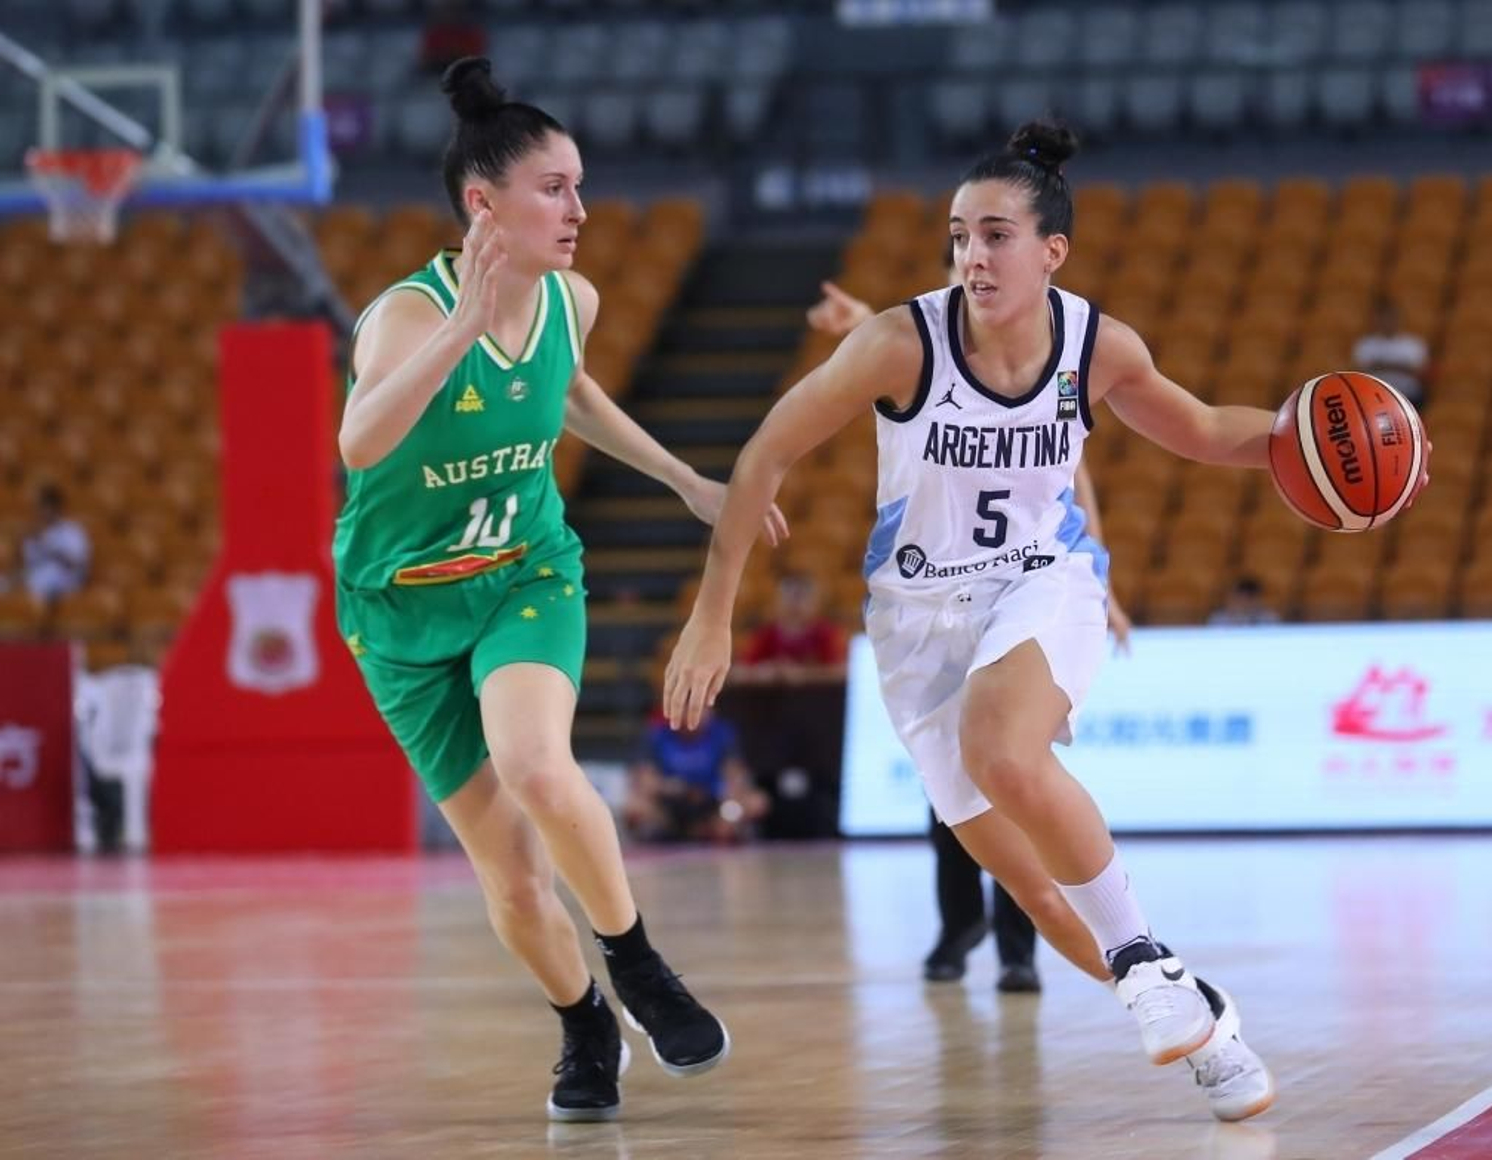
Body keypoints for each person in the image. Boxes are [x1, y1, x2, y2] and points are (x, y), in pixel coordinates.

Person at [667, 120, 1410, 1123]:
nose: (972, 254)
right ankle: (1200, 1016)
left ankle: (1145, 960)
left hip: (1043, 579)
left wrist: (1302, 439)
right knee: (1044, 900)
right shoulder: (898, 342)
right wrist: (714, 615)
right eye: (958, 235)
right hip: (916, 622)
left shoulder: (1097, 344)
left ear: (1051, 250)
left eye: (996, 235)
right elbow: (761, 456)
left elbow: (1199, 429)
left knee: (1002, 745)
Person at [332, 57, 786, 1124]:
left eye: (580, 184)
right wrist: (458, 329)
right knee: (512, 879)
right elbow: (358, 444)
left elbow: (568, 389)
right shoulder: (404, 317)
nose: (580, 209)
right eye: (554, 188)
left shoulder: (572, 299)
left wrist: (682, 477)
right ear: (482, 204)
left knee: (537, 761)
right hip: (400, 615)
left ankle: (636, 961)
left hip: (525, 572)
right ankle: (582, 1017)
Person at [804, 270, 1134, 996]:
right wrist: (860, 315)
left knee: (1015, 768)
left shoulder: (1054, 364)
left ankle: (1022, 948)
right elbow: (903, 360)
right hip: (937, 598)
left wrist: (1097, 581)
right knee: (952, 796)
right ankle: (959, 927)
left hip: (1020, 587)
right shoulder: (931, 345)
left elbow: (1072, 480)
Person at [624, 709, 768, 843]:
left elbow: (736, 776)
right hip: (670, 804)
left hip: (712, 803)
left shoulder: (722, 733)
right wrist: (671, 787)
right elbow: (645, 779)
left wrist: (730, 803)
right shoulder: (657, 735)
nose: (691, 713)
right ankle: (671, 831)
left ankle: (712, 829)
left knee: (757, 802)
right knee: (634, 807)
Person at [19, 484, 91, 608]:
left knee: (47, 577)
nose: (43, 512)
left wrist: (48, 546)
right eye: (41, 507)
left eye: (48, 507)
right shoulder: (34, 533)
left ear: (57, 508)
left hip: (67, 580)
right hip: (36, 578)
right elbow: (29, 564)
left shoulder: (73, 531)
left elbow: (76, 564)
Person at [1352, 299, 1429, 411]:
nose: (1388, 322)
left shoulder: (1413, 344)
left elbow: (1420, 371)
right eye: (1384, 318)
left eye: (1391, 318)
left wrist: (1381, 365)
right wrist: (1400, 366)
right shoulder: (1365, 344)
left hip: (1408, 396)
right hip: (1373, 396)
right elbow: (1358, 371)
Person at [1208, 575, 1280, 626]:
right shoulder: (1220, 618)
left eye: (1249, 599)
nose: (1244, 603)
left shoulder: (1268, 618)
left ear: (1257, 600)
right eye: (1240, 598)